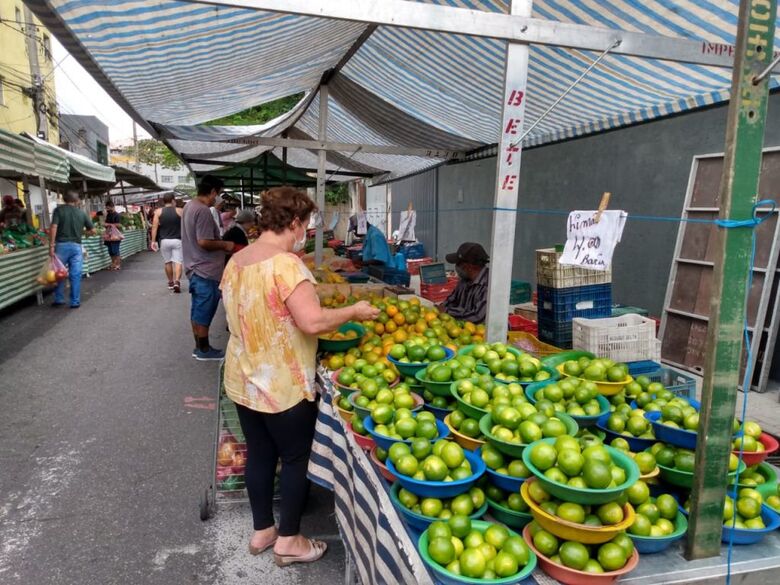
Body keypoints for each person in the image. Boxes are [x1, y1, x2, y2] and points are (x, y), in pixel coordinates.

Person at [220, 187, 379, 567]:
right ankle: (289, 541)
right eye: (305, 226)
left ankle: (263, 531)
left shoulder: (237, 261)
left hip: (243, 378)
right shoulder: (286, 265)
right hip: (281, 385)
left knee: (260, 453)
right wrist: (353, 311)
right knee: (295, 458)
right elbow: (312, 321)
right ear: (293, 223)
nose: (305, 233)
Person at [181, 175, 234, 360]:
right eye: (218, 194)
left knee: (197, 309)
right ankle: (204, 350)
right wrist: (224, 245)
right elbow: (203, 241)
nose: (217, 199)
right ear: (212, 191)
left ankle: (199, 346)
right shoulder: (202, 210)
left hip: (195, 267)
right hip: (205, 269)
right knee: (204, 310)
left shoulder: (189, 206)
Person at [49, 191, 95, 308]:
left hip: (61, 246)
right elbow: (93, 231)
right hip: (76, 247)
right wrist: (82, 232)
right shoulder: (81, 213)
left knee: (59, 272)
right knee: (75, 274)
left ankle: (59, 298)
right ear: (77, 200)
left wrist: (51, 245)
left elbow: (54, 227)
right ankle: (75, 301)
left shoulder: (58, 210)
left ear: (64, 199)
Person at [442, 242, 490, 324]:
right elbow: (450, 301)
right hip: (460, 328)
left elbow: (478, 317)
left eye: (458, 264)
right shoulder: (464, 280)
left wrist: (447, 311)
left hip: (481, 330)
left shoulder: (488, 285)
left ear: (469, 267)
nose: (456, 267)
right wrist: (442, 308)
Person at [150, 192, 184, 292]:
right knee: (178, 262)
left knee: (167, 262)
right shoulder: (180, 211)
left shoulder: (158, 212)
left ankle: (170, 282)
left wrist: (153, 241)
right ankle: (177, 281)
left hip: (164, 241)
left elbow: (154, 227)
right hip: (178, 240)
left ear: (164, 201)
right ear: (173, 200)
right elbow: (186, 225)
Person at [103, 200, 124, 271]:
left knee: (115, 250)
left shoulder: (117, 215)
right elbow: (105, 223)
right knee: (110, 251)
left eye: (108, 208)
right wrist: (105, 224)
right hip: (109, 235)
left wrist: (109, 224)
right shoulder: (108, 215)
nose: (107, 209)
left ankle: (118, 264)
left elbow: (119, 225)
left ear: (112, 207)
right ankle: (113, 263)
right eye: (106, 208)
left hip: (115, 236)